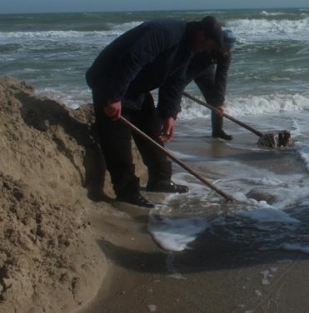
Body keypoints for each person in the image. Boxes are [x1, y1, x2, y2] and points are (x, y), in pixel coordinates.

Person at [86, 16, 223, 207]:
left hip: (137, 87)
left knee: (152, 128)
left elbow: (175, 81)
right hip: (109, 81)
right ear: (201, 34)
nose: (208, 51)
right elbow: (132, 58)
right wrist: (115, 97)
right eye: (209, 45)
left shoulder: (188, 47)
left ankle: (160, 180)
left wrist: (169, 114)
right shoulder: (165, 32)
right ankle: (126, 191)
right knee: (117, 139)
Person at [187, 29, 237, 140]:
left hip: (206, 69)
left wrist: (219, 102)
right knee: (173, 94)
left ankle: (217, 131)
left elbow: (222, 76)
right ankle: (157, 128)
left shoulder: (226, 54)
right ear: (218, 44)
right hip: (189, 66)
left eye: (230, 48)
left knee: (215, 101)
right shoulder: (205, 44)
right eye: (226, 48)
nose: (228, 51)